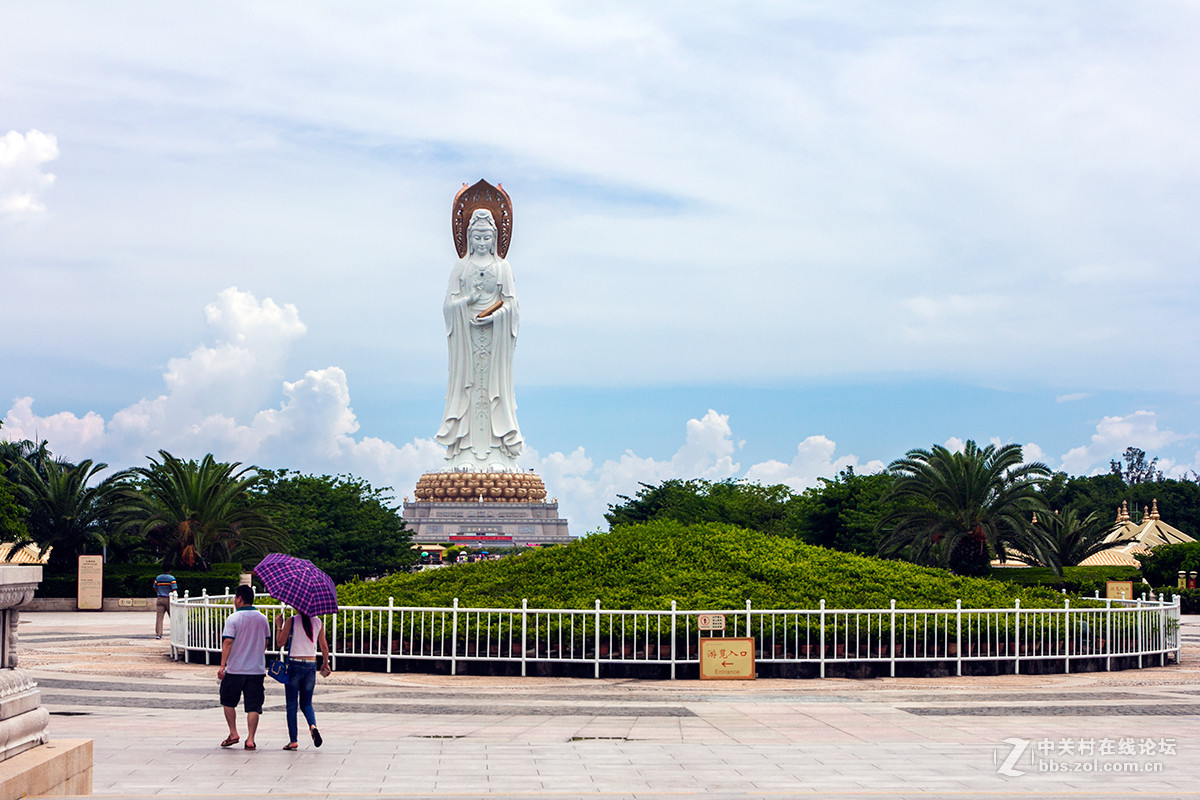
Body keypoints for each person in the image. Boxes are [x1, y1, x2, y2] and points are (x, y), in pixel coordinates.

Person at [436, 207, 524, 471]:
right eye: (477, 237)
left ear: (495, 238)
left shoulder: (502, 267)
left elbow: (512, 306)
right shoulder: (461, 267)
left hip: (495, 341)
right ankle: (464, 452)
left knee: (494, 390)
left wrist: (497, 316)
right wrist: (468, 302)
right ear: (469, 238)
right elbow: (448, 306)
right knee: (468, 389)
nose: (482, 243)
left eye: (487, 238)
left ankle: (498, 452)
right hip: (467, 340)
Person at [217, 585, 270, 750]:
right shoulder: (262, 618)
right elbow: (266, 642)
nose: (234, 601)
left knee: (228, 700)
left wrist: (222, 665)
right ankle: (251, 739)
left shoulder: (233, 619)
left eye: (235, 598)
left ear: (239, 598)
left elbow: (227, 642)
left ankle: (233, 733)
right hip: (256, 670)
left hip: (235, 669)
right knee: (254, 705)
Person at [274, 609, 332, 750]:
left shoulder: (292, 621)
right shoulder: (318, 622)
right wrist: (326, 662)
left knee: (292, 704)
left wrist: (278, 625)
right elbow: (323, 645)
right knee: (307, 703)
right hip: (311, 665)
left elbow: (280, 643)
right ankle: (313, 725)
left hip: (294, 665)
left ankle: (293, 740)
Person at [153, 571, 176, 639]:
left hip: (160, 598)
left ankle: (158, 634)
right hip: (169, 599)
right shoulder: (171, 578)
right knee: (173, 617)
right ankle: (175, 632)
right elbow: (174, 589)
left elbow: (155, 587)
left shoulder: (158, 578)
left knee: (159, 618)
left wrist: (159, 592)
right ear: (170, 570)